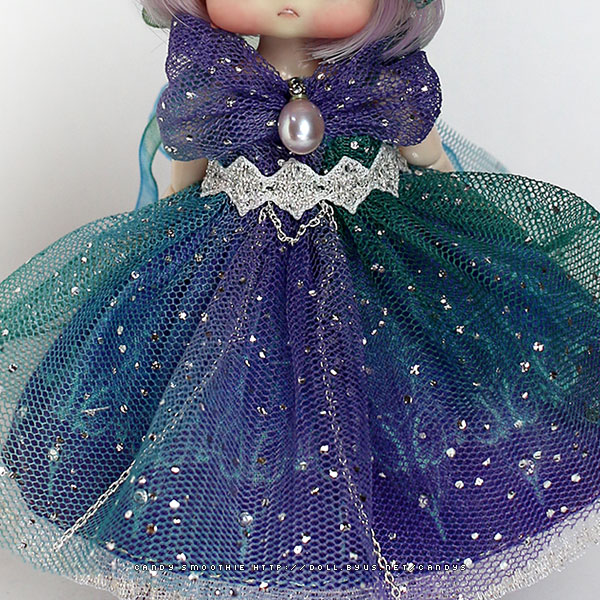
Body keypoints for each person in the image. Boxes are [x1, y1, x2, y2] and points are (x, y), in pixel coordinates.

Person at [1, 2, 599, 599]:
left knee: (398, 392)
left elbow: (430, 158)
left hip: (371, 258)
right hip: (234, 266)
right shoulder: (218, 84)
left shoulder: (379, 80)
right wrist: (166, 227)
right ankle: (237, 544)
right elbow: (181, 176)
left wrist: (458, 218)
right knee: (237, 401)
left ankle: (385, 545)